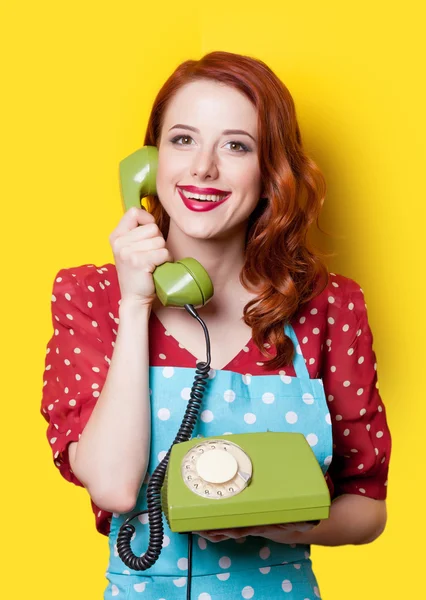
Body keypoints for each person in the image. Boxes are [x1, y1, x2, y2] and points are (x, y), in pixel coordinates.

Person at [40, 51, 391, 599]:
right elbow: (111, 487)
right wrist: (136, 304)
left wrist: (274, 523)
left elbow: (367, 508)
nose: (203, 167)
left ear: (271, 170)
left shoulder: (329, 305)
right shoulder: (92, 297)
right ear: (149, 164)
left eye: (236, 145)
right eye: (183, 140)